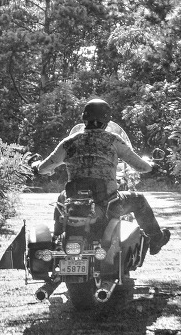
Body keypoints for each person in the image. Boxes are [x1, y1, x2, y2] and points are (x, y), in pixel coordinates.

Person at [31, 98, 172, 254]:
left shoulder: (68, 142)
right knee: (139, 200)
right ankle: (156, 239)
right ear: (107, 119)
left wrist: (36, 166)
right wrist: (152, 167)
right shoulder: (113, 140)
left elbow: (44, 168)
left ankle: (57, 239)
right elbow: (140, 166)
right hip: (108, 203)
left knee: (61, 199)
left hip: (74, 203)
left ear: (84, 118)